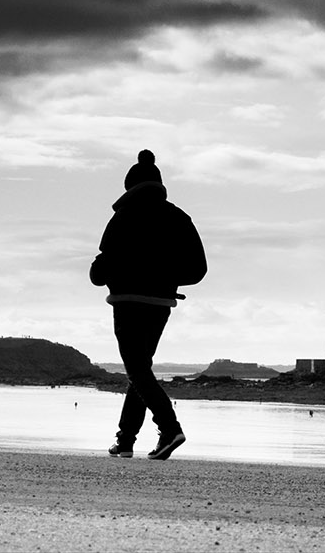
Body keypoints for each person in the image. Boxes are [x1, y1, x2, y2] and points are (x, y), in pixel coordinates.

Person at [90, 150, 206, 461]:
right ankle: (126, 440)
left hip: (127, 301)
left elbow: (99, 273)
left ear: (129, 186)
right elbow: (199, 270)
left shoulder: (122, 217)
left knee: (138, 370)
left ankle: (169, 427)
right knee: (139, 370)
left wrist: (116, 271)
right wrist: (166, 278)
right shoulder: (179, 217)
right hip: (159, 303)